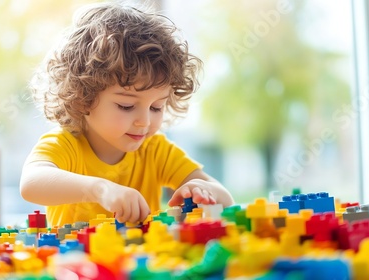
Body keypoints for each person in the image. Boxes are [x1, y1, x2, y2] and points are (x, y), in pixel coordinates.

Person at [20, 2, 234, 227]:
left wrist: (204, 190)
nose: (145, 121)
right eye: (126, 106)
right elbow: (31, 184)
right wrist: (100, 189)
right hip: (78, 261)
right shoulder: (66, 146)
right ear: (83, 98)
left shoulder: (155, 150)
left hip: (143, 261)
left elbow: (226, 199)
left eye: (156, 107)